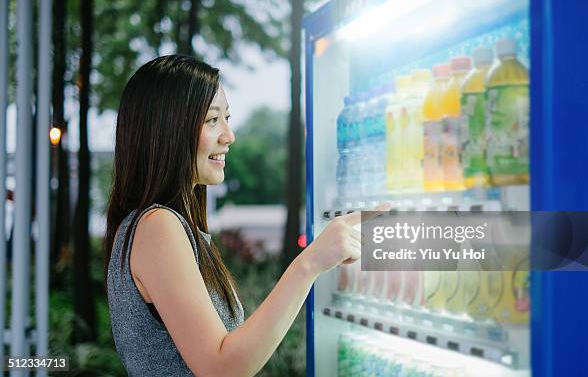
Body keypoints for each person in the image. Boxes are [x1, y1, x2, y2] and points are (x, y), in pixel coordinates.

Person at [104, 55, 384, 376]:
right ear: (167, 129)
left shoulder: (158, 226)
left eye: (227, 118)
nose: (229, 135)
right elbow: (222, 368)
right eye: (212, 120)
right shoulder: (157, 227)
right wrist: (309, 264)